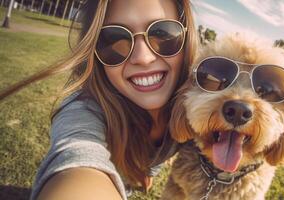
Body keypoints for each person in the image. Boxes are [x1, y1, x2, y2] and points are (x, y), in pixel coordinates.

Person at [0, 0, 197, 199]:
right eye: (113, 39)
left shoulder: (198, 104)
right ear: (94, 50)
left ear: (187, 39)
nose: (142, 57)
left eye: (163, 33)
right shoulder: (83, 109)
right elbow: (79, 155)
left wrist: (149, 173)